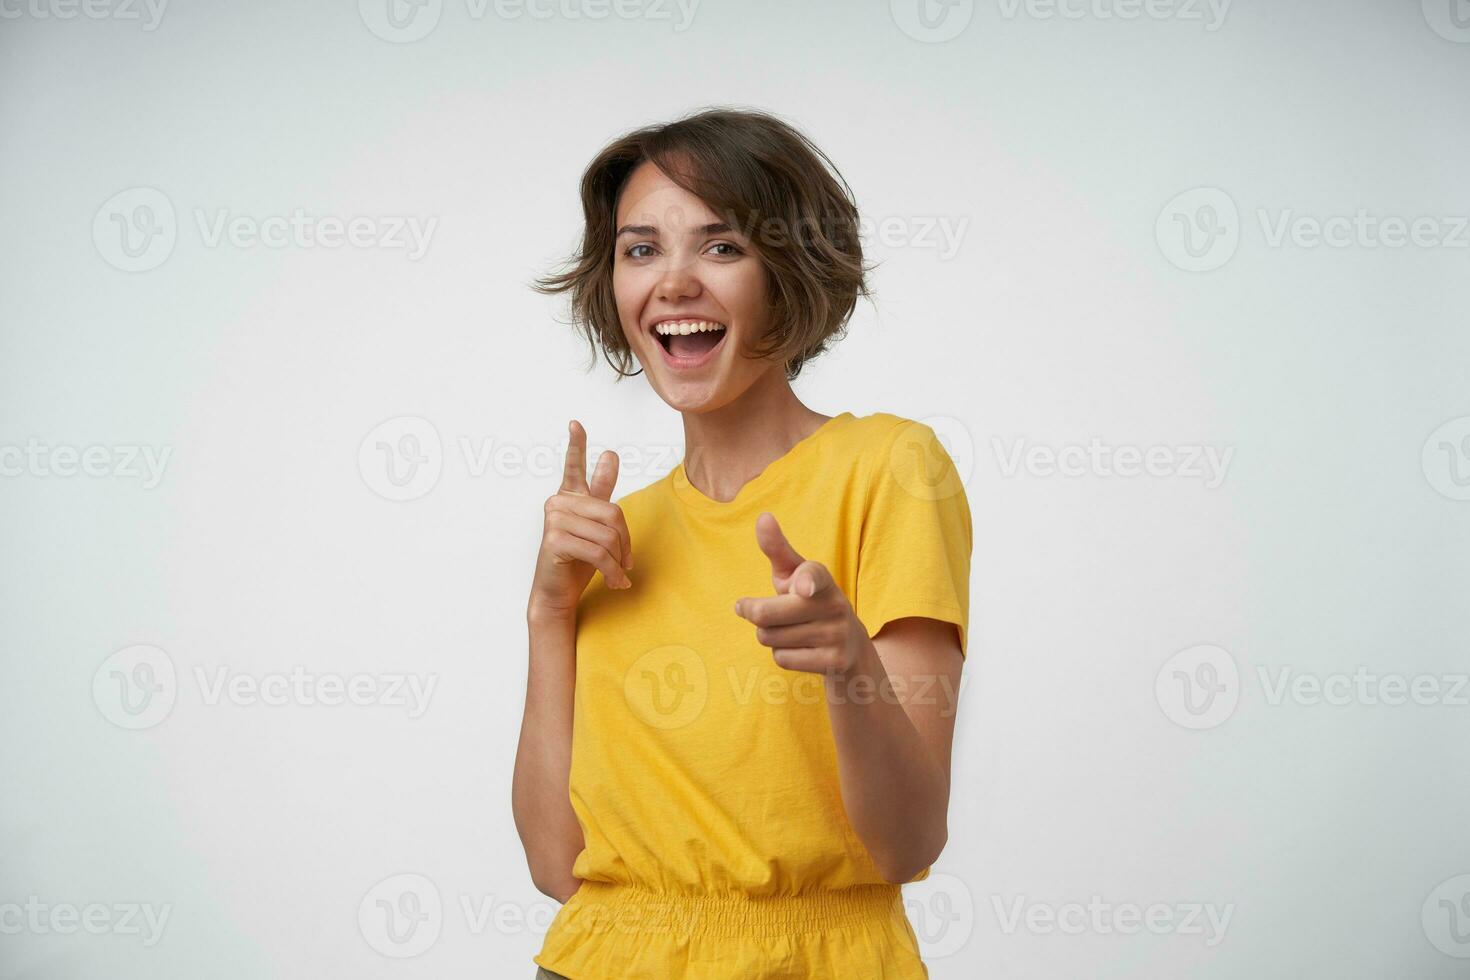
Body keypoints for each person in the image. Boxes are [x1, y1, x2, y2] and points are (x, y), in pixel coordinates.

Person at [512, 106, 972, 979]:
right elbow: (556, 868)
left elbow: (909, 842)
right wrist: (546, 614)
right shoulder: (617, 534)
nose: (674, 281)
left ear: (791, 272)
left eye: (721, 247)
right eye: (640, 249)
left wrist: (851, 669)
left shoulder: (892, 468)